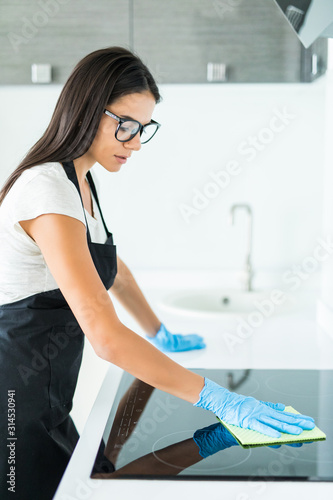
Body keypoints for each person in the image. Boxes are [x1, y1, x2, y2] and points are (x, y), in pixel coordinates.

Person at [0, 47, 315, 500]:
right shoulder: (46, 189)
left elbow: (114, 271)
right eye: (124, 125)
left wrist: (159, 331)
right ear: (86, 108)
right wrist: (218, 400)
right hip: (14, 407)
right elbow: (106, 337)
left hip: (47, 400)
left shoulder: (81, 182)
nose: (134, 142)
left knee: (97, 483)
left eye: (143, 129)